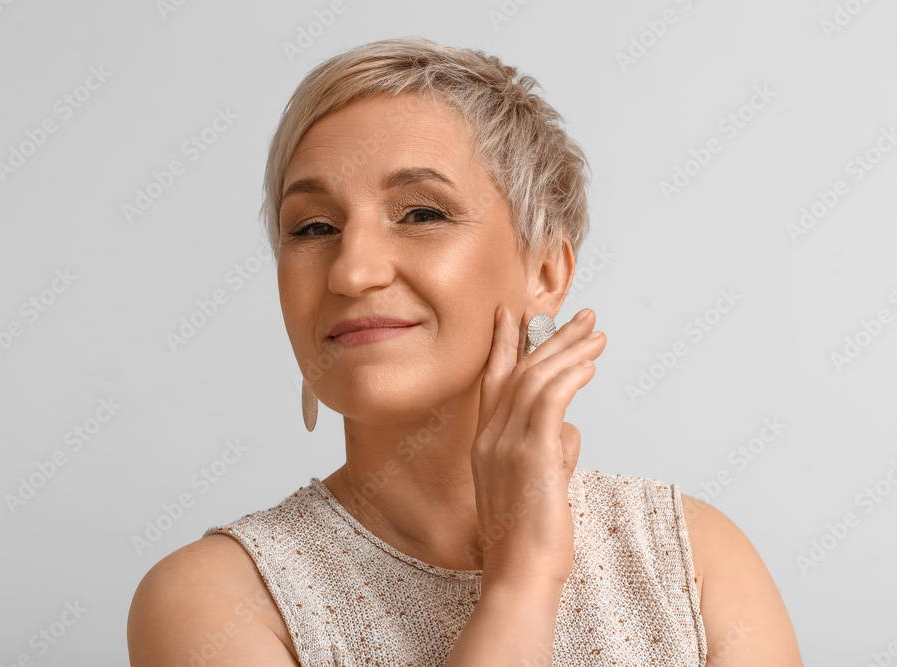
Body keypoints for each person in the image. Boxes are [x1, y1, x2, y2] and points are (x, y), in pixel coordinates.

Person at [127, 36, 804, 666]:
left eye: (422, 213)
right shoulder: (212, 600)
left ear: (545, 271)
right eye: (313, 226)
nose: (350, 271)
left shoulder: (694, 561)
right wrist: (521, 582)